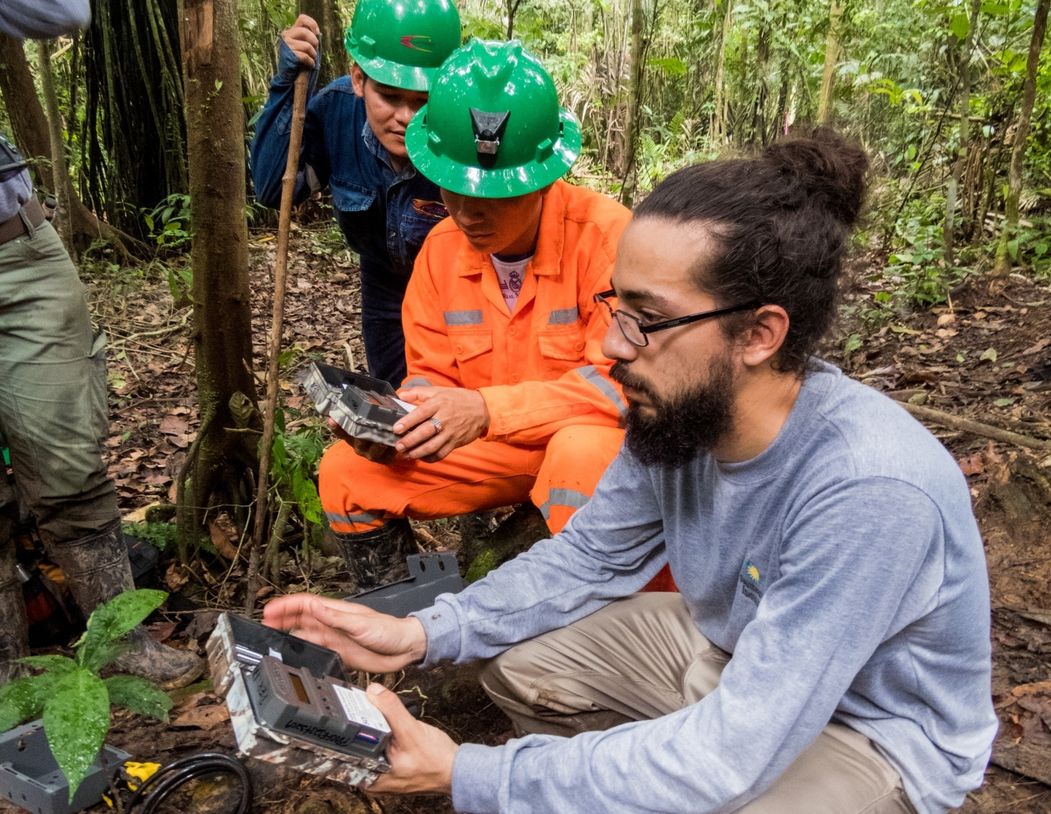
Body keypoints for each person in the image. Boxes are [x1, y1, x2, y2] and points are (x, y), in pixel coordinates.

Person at [264, 128, 998, 812]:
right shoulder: (680, 415)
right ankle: (636, 772)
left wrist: (472, 774)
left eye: (648, 318)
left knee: (717, 781)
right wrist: (425, 633)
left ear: (759, 333)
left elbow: (733, 751)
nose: (612, 346)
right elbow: (587, 557)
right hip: (726, 650)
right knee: (522, 663)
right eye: (616, 306)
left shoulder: (868, 491)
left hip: (869, 734)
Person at [316, 39, 638, 591]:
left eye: (493, 197)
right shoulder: (440, 252)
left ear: (541, 180)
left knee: (580, 455)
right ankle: (403, 622)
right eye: (455, 189)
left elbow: (622, 388)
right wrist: (399, 423)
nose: (467, 213)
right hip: (489, 452)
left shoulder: (609, 239)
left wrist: (487, 410)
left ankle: (574, 625)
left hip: (586, 443)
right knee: (347, 474)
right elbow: (431, 375)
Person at [0, 1, 201, 688]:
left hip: (17, 250)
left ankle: (119, 639)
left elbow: (64, 10)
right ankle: (9, 684)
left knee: (69, 468)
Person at [250, 0, 461, 388]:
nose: (406, 117)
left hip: (459, 290)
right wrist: (288, 83)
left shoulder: (461, 123)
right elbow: (271, 188)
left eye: (423, 100)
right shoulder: (335, 112)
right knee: (400, 398)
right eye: (391, 97)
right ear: (359, 80)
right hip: (384, 282)